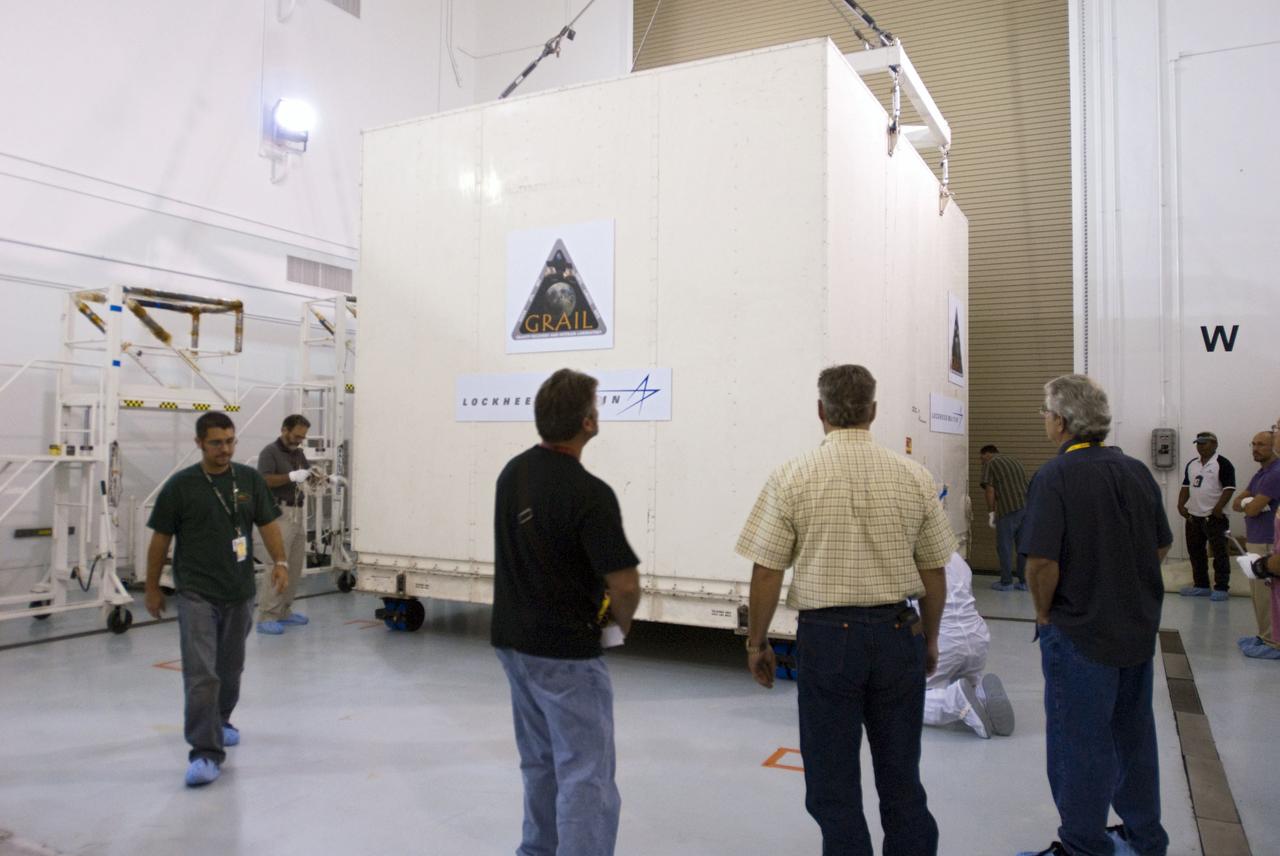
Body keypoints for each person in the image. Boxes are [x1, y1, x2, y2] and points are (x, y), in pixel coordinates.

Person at [736, 364, 954, 856]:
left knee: (832, 780)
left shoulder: (792, 476)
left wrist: (757, 643)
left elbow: (767, 571)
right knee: (901, 774)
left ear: (821, 411)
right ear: (873, 411)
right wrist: (930, 638)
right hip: (898, 633)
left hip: (828, 640)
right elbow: (935, 573)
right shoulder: (913, 476)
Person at [1017, 375, 1172, 856]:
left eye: (1045, 413)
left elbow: (1042, 562)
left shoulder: (1055, 477)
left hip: (1079, 634)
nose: (1044, 420)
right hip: (1136, 631)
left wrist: (1044, 614)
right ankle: (1145, 838)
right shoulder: (1136, 472)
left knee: (1078, 744)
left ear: (1061, 422)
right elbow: (1160, 545)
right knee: (1133, 739)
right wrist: (1124, 585)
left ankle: (1083, 846)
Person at [490, 368, 642, 856]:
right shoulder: (590, 493)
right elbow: (625, 584)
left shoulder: (513, 473)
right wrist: (619, 624)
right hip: (566, 654)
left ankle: (537, 850)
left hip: (514, 644)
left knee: (540, 762)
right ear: (588, 422)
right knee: (585, 774)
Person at [144, 412, 288, 787]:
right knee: (201, 674)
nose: (225, 449)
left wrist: (281, 561)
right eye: (216, 443)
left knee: (230, 669)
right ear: (199, 443)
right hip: (196, 592)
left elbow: (267, 523)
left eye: (230, 441)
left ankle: (221, 720)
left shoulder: (249, 479)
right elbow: (160, 539)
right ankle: (205, 752)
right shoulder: (181, 486)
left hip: (239, 591)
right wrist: (151, 587)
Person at [923, 552, 1015, 739]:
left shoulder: (909, 560)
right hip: (977, 637)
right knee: (963, 683)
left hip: (944, 642)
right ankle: (980, 695)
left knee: (903, 699)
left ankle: (954, 702)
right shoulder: (957, 559)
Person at [255, 414, 313, 634]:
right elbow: (263, 479)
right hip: (280, 513)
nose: (299, 440)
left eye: (302, 437)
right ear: (284, 430)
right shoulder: (270, 452)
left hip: (297, 512)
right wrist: (290, 476)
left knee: (295, 564)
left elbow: (307, 475)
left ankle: (284, 611)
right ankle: (267, 615)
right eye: (297, 436)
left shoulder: (298, 453)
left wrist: (322, 478)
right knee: (277, 564)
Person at [1232, 430, 1280, 658]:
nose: (1255, 448)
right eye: (1253, 444)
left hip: (1268, 542)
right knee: (1258, 595)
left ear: (1274, 445)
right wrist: (1249, 503)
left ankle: (1273, 641)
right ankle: (1264, 634)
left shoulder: (1275, 474)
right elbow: (1237, 503)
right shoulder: (1261, 474)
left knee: (1269, 595)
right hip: (1256, 540)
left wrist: (1249, 503)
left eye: (1261, 444)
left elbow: (1250, 508)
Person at [1176, 431, 1236, 601]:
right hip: (1193, 516)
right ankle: (1201, 585)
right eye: (1198, 443)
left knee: (1219, 553)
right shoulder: (1192, 464)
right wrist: (1181, 505)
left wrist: (1218, 507)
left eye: (1204, 443)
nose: (1200, 446)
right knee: (1195, 552)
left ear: (1214, 444)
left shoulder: (1222, 463)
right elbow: (1186, 486)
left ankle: (1221, 587)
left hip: (1214, 517)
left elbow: (1229, 488)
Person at [980, 444, 1030, 591]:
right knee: (1023, 547)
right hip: (1027, 507)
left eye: (982, 458)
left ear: (988, 454)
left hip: (1009, 508)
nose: (982, 462)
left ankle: (1006, 582)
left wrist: (991, 512)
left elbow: (990, 490)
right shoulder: (1014, 460)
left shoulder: (991, 463)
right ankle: (1024, 581)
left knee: (1004, 546)